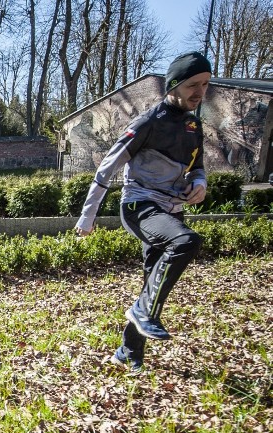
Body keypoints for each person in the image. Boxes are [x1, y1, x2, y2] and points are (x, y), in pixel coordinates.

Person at [75, 51, 212, 375]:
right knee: (185, 243)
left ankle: (127, 351)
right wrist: (87, 216)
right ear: (174, 85)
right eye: (193, 84)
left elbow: (198, 167)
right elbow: (108, 166)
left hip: (171, 209)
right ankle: (143, 310)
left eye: (206, 85)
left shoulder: (194, 125)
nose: (200, 92)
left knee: (154, 279)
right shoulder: (149, 122)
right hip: (139, 205)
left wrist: (200, 184)